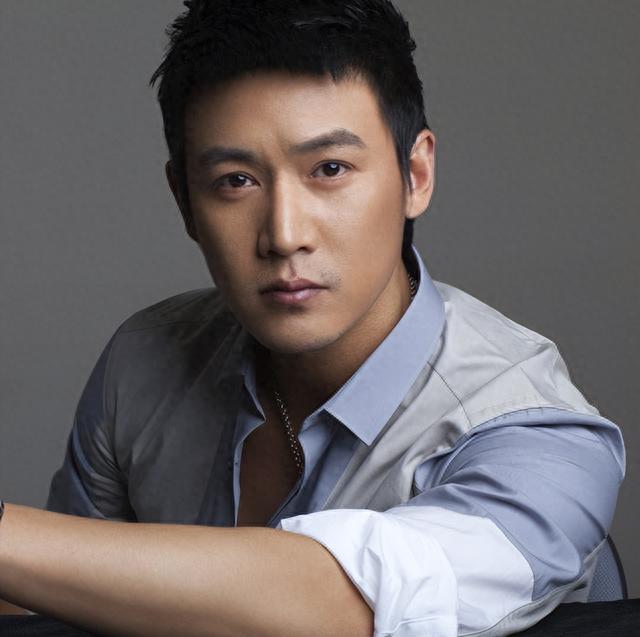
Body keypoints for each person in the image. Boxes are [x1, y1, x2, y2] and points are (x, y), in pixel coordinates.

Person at [0, 1, 626, 636]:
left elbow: (355, 603)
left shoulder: (541, 437)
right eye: (236, 181)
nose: (284, 234)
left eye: (330, 169)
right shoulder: (144, 360)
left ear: (415, 175)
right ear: (184, 201)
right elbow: (46, 601)